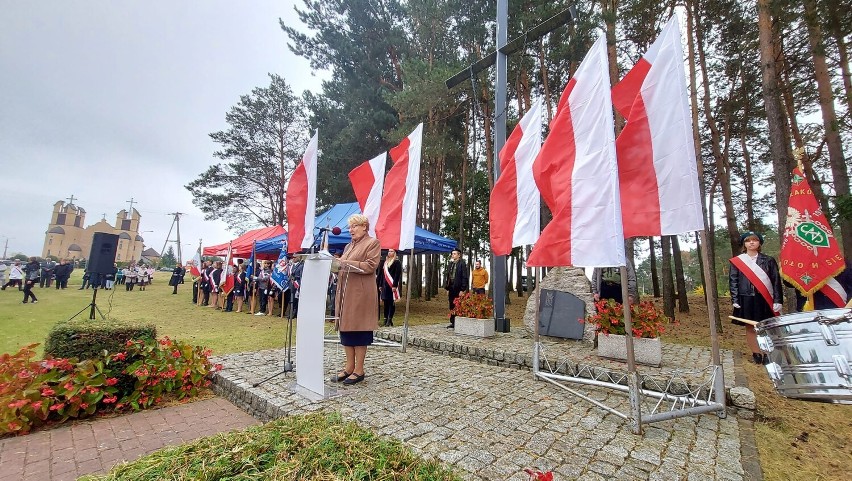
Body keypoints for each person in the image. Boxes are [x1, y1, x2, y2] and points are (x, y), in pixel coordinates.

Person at [334, 214, 381, 386]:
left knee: (359, 331)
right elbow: (343, 265)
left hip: (361, 295)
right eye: (349, 227)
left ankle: (359, 370)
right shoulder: (348, 246)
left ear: (364, 226)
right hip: (346, 294)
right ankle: (349, 367)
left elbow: (370, 266)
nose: (350, 230)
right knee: (346, 330)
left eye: (354, 226)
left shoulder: (372, 243)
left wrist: (344, 262)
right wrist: (335, 265)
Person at [729, 231, 783, 365]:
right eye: (748, 240)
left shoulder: (768, 260)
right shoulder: (738, 261)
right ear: (744, 244)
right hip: (746, 298)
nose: (751, 243)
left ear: (759, 243)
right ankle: (756, 353)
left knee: (765, 326)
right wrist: (735, 299)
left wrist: (778, 300)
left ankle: (767, 353)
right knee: (750, 327)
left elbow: (776, 280)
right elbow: (733, 281)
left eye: (754, 240)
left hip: (764, 298)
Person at [443, 248, 469, 328]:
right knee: (451, 305)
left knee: (458, 305)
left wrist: (462, 289)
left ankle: (458, 322)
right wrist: (447, 288)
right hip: (451, 287)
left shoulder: (462, 264)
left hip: (458, 288)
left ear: (459, 255)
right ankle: (453, 322)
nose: (453, 255)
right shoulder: (450, 264)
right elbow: (448, 276)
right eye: (452, 253)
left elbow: (465, 277)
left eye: (454, 253)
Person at [378, 248, 402, 326]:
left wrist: (394, 285)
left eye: (391, 251)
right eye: (389, 251)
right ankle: (385, 319)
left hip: (391, 285)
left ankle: (389, 319)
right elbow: (382, 275)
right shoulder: (385, 262)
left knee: (391, 303)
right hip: (385, 286)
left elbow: (397, 275)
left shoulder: (397, 262)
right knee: (386, 303)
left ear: (395, 253)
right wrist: (381, 285)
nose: (389, 252)